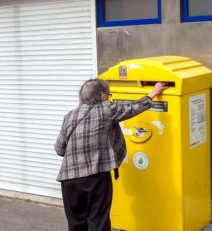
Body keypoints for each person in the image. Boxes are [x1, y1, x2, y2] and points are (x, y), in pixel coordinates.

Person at [54, 78, 168, 231]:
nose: (108, 97)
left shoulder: (69, 116)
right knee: (98, 221)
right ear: (101, 96)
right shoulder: (106, 109)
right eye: (108, 94)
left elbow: (59, 149)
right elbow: (133, 108)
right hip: (96, 176)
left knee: (76, 224)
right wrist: (152, 93)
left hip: (69, 180)